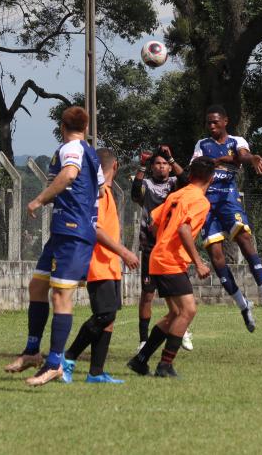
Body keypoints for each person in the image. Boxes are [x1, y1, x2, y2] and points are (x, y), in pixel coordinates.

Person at [3, 106, 103, 386]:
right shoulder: (90, 154)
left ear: (62, 126)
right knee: (38, 286)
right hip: (63, 232)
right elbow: (101, 189)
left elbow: (70, 175)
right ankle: (33, 351)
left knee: (61, 296)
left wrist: (39, 199)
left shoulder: (72, 148)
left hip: (74, 233)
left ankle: (55, 363)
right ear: (86, 127)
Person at [191, 105, 262, 333]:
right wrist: (220, 159)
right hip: (206, 204)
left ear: (225, 121)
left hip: (228, 200)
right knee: (217, 257)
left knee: (245, 240)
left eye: (215, 122)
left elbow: (241, 155)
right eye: (208, 122)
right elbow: (195, 167)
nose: (211, 126)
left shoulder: (237, 140)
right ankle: (243, 305)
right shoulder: (202, 144)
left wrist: (250, 159)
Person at [127, 156, 215, 378]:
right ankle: (165, 365)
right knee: (188, 310)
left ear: (191, 174)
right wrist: (199, 262)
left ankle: (140, 360)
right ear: (211, 179)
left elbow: (155, 223)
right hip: (170, 260)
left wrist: (164, 243)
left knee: (175, 313)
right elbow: (184, 230)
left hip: (158, 255)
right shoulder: (200, 201)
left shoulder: (176, 194)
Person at [61, 148, 139, 384]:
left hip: (110, 263)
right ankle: (68, 357)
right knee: (104, 314)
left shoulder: (106, 191)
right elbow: (95, 229)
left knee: (109, 318)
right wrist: (124, 251)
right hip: (97, 262)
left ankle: (96, 372)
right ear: (115, 166)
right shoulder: (99, 192)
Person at [130, 145, 194, 352]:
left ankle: (182, 329)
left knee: (173, 294)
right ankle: (142, 341)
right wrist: (141, 164)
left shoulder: (175, 183)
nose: (161, 167)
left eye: (164, 164)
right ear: (152, 166)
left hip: (171, 245)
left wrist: (172, 158)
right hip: (150, 245)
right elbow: (134, 193)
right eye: (157, 163)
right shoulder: (146, 184)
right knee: (147, 294)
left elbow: (188, 181)